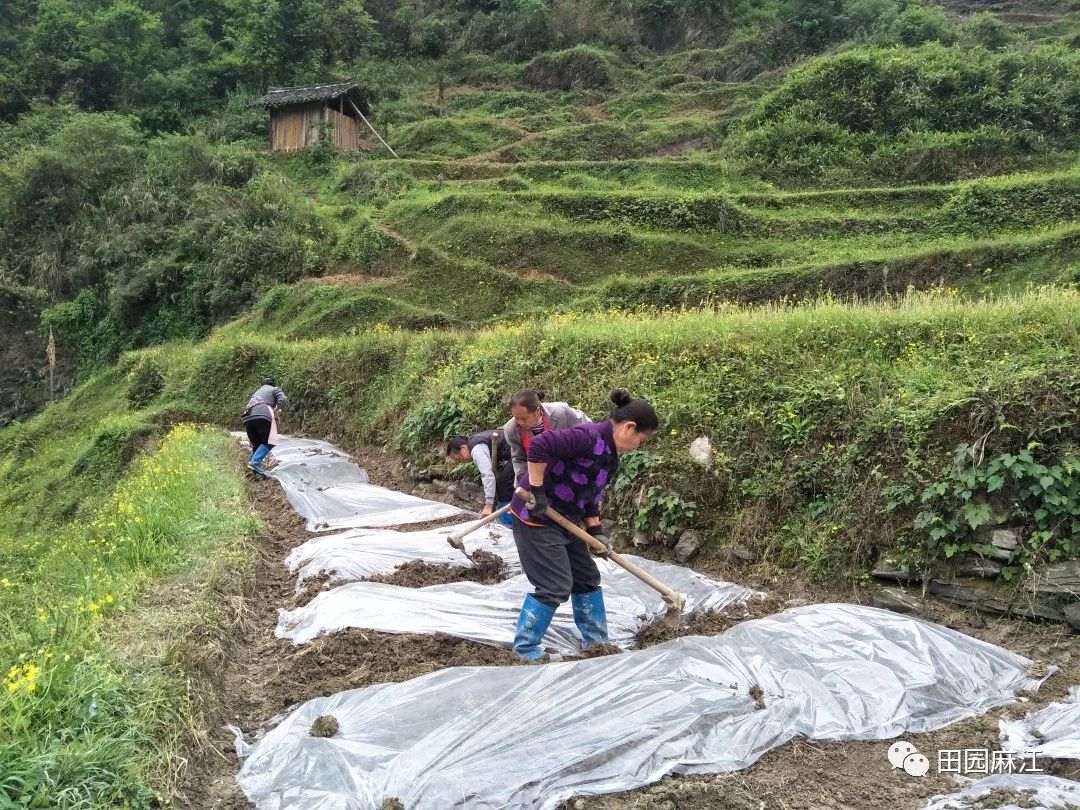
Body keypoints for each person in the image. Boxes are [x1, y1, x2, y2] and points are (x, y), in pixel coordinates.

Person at [509, 389, 658, 660]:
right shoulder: (587, 436)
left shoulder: (610, 456)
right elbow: (541, 446)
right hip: (535, 517)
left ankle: (598, 644)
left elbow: (591, 493)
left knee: (587, 579)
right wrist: (539, 491)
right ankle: (524, 650)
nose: (639, 445)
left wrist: (596, 530)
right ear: (629, 427)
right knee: (555, 584)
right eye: (641, 440)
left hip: (566, 520)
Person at [502, 389, 589, 480]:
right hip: (541, 474)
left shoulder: (561, 412)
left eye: (524, 419)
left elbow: (588, 428)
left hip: (573, 464)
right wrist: (525, 481)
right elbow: (519, 458)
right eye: (516, 418)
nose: (520, 422)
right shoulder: (511, 429)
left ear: (537, 410)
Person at [446, 430, 515, 526]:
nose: (461, 461)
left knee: (503, 484)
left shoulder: (476, 448)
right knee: (500, 481)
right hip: (513, 452)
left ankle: (511, 522)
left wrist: (488, 505)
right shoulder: (477, 442)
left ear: (463, 448)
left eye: (459, 458)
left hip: (520, 451)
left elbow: (487, 475)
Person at [242, 377, 288, 480]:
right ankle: (254, 463)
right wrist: (275, 410)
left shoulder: (257, 392)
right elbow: (283, 399)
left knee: (257, 445)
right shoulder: (274, 389)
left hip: (247, 416)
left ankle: (255, 472)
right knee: (269, 442)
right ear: (273, 384)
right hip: (263, 413)